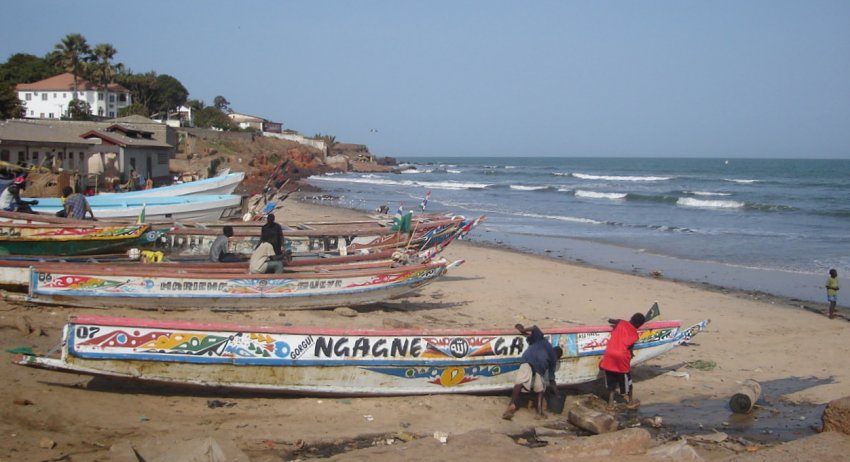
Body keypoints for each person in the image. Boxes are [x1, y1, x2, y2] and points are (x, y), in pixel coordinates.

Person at [503, 324, 563, 420]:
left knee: (520, 381)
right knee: (540, 388)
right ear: (558, 356)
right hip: (540, 366)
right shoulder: (553, 359)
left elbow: (535, 328)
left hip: (528, 358)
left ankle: (512, 404)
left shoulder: (542, 340)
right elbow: (552, 380)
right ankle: (539, 411)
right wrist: (557, 393)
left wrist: (523, 330)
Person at [599, 313, 646, 411]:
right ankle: (630, 402)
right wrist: (631, 355)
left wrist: (618, 323)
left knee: (611, 380)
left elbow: (610, 320)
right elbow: (629, 348)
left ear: (631, 318)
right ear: (639, 325)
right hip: (621, 357)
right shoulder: (634, 334)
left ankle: (610, 404)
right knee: (627, 380)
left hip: (609, 354)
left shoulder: (621, 322)